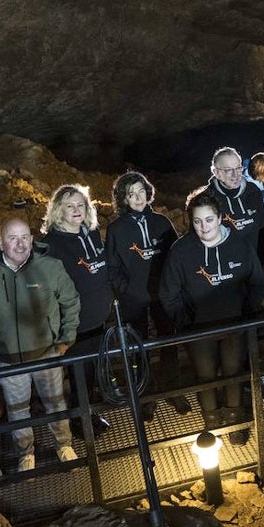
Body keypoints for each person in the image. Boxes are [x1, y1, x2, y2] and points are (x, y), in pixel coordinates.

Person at [160, 190, 264, 444]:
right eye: (197, 221)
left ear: (219, 218)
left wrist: (247, 313)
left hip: (233, 324)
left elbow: (256, 282)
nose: (203, 227)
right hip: (199, 329)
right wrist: (186, 322)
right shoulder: (181, 251)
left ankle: (235, 420)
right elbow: (169, 293)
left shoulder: (240, 245)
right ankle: (212, 421)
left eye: (208, 220)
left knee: (233, 371)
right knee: (205, 376)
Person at [0, 217, 80, 472]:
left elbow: (71, 302)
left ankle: (64, 444)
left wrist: (66, 339)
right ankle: (25, 453)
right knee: (17, 410)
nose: (19, 244)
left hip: (45, 353)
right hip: (8, 359)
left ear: (32, 240)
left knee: (56, 402)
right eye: (12, 238)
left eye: (24, 237)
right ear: (0, 242)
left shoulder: (51, 268)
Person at [104, 171, 178, 420]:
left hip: (162, 294)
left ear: (148, 192)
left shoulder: (162, 222)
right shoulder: (116, 229)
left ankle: (173, 390)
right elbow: (112, 268)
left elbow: (175, 257)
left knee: (169, 342)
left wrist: (171, 286)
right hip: (134, 299)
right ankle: (145, 396)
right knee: (139, 347)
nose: (137, 198)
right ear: (123, 199)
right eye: (130, 194)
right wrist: (128, 289)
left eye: (141, 191)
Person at [42, 184, 112, 434]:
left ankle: (88, 412)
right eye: (69, 206)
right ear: (58, 210)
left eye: (80, 205)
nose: (76, 210)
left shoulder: (91, 234)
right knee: (80, 374)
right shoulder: (52, 244)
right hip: (75, 323)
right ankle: (81, 421)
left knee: (92, 371)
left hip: (98, 318)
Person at [207, 147, 264, 254]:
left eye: (238, 168)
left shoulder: (253, 192)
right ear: (216, 172)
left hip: (255, 264)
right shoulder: (205, 200)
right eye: (228, 170)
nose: (235, 175)